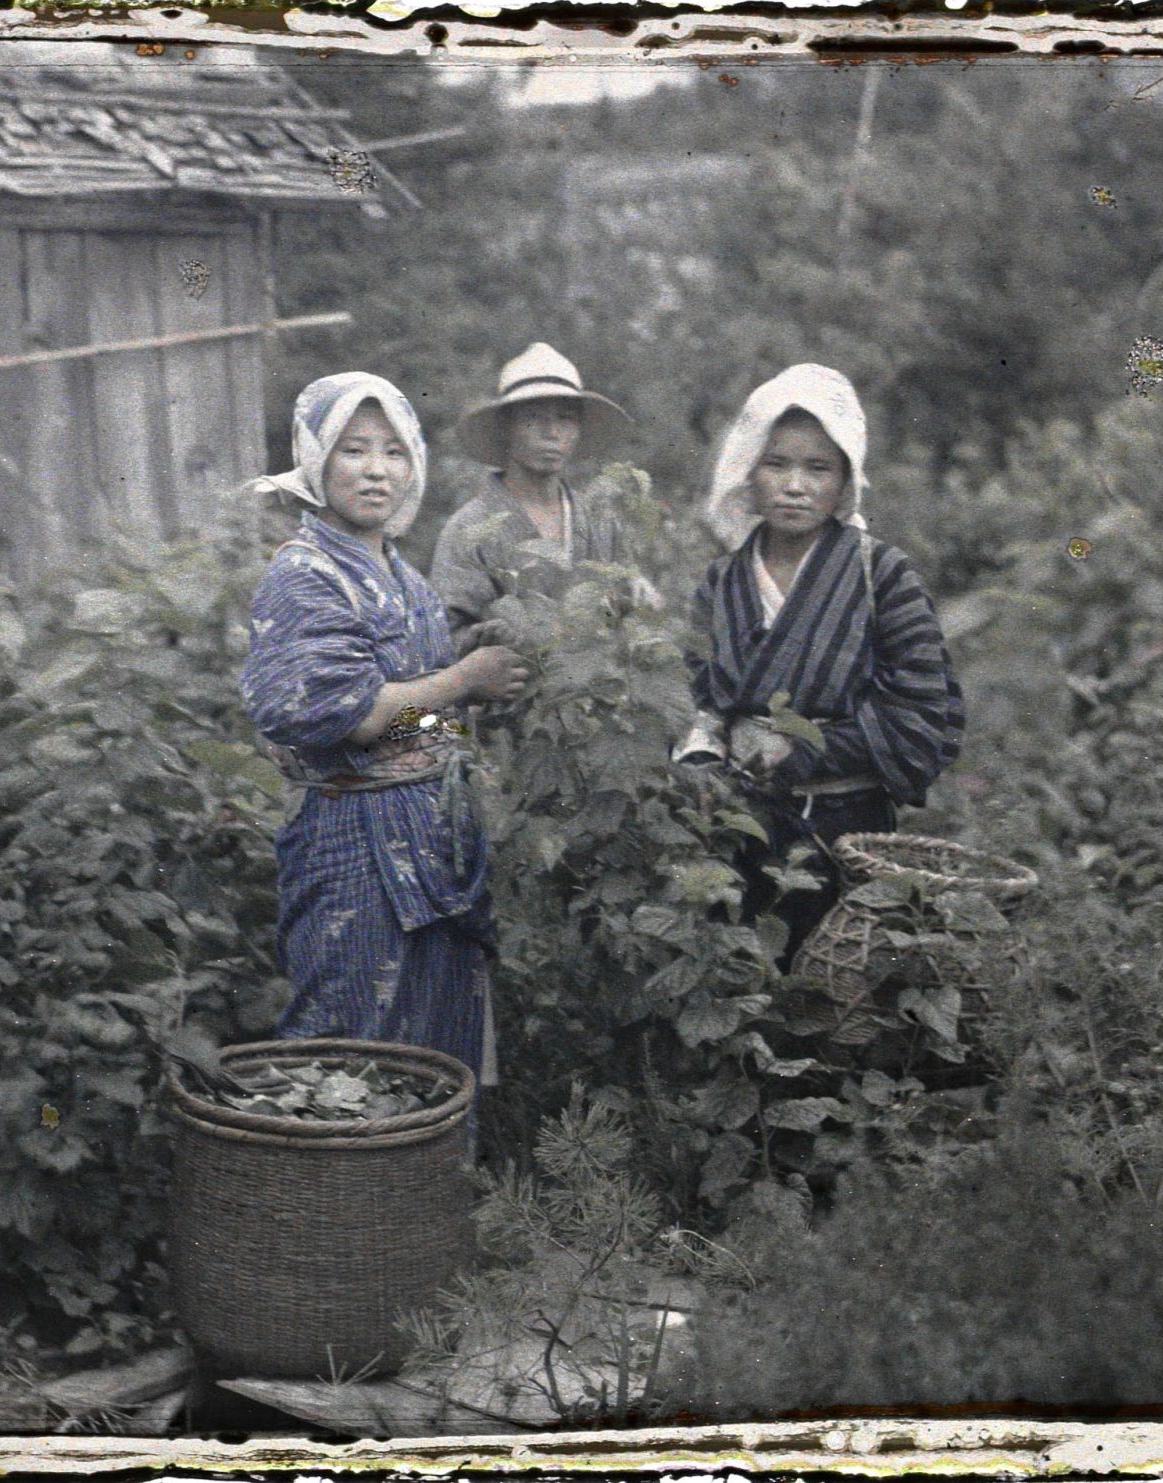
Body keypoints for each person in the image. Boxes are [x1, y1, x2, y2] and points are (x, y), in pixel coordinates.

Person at [240, 373, 531, 1085]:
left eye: (394, 451)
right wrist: (463, 680)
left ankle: (431, 1161)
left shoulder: (405, 576)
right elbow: (359, 716)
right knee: (349, 1045)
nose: (377, 470)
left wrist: (463, 690)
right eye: (354, 449)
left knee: (436, 1050)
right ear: (315, 458)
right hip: (352, 839)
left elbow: (410, 713)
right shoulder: (306, 574)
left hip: (431, 835)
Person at [683, 363, 965, 958]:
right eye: (776, 464)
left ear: (844, 481)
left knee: (838, 984)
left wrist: (804, 749)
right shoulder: (723, 582)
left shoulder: (882, 575)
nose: (795, 486)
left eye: (818, 468)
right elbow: (695, 697)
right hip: (741, 829)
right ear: (748, 470)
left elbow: (922, 713)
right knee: (742, 976)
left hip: (848, 833)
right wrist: (703, 761)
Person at [430, 343, 637, 656]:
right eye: (533, 417)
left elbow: (626, 615)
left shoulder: (601, 522)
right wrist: (486, 639)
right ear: (506, 428)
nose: (551, 432)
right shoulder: (468, 528)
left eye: (565, 418)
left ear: (578, 429)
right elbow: (446, 634)